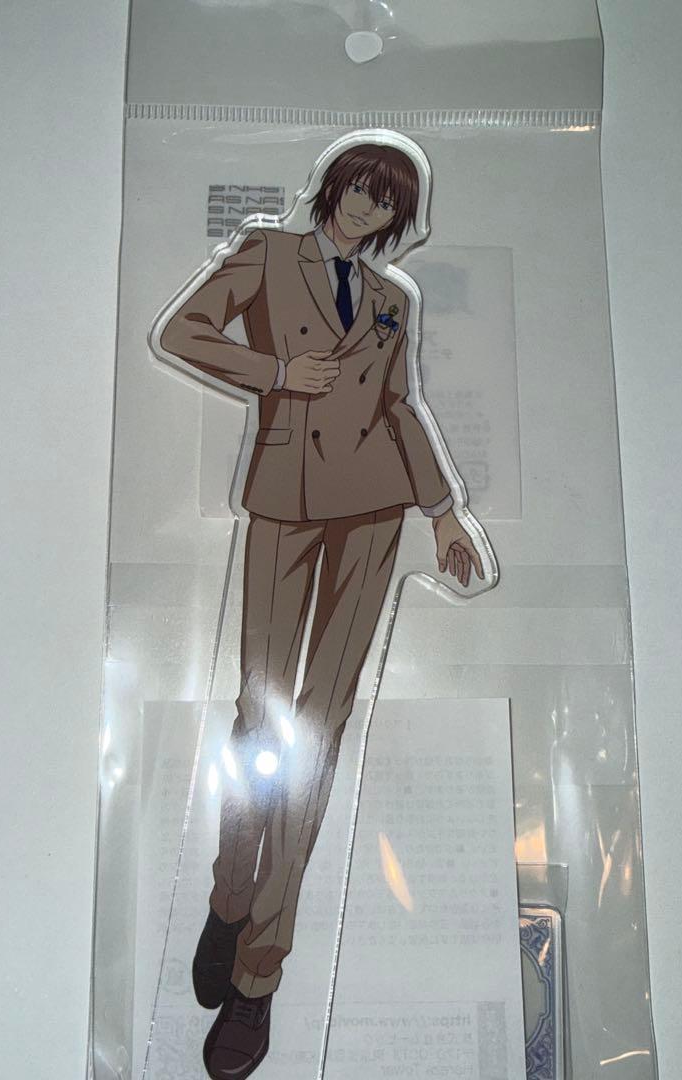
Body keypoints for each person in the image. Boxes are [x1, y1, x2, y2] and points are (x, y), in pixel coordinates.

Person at [156, 140, 483, 1080]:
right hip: (284, 503)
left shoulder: (391, 299)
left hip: (374, 513)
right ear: (334, 188)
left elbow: (403, 408)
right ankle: (230, 896)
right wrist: (273, 372)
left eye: (385, 205)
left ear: (396, 220)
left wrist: (443, 513)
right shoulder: (267, 253)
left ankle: (258, 973)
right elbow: (181, 334)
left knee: (318, 733)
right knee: (261, 716)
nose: (365, 211)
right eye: (359, 193)